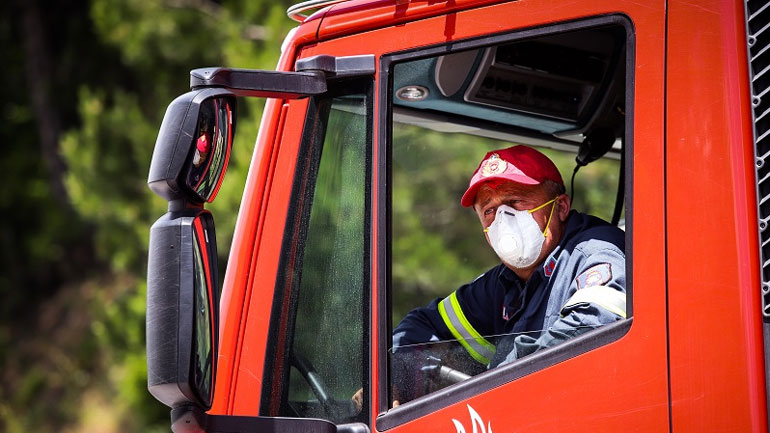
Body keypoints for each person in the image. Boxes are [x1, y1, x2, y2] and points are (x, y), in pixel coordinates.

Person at [390, 145, 626, 403]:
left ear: (560, 207)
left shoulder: (597, 252)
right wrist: (396, 381)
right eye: (489, 211)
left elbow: (591, 330)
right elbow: (426, 324)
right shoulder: (505, 280)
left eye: (515, 202)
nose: (503, 220)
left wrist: (496, 381)